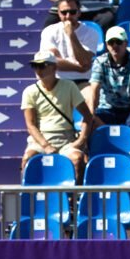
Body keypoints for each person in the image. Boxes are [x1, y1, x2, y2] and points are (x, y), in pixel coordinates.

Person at [21, 51, 93, 184]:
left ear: (54, 67)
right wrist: (46, 145)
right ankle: (28, 199)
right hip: (41, 139)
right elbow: (30, 125)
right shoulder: (29, 91)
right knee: (27, 158)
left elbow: (88, 116)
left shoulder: (69, 86)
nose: (38, 69)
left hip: (65, 138)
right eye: (35, 66)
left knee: (77, 159)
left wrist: (81, 140)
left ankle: (72, 200)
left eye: (43, 65)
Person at [85, 25, 130, 161]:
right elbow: (94, 89)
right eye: (111, 42)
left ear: (126, 43)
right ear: (106, 45)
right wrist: (91, 113)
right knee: (88, 125)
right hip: (107, 109)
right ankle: (90, 165)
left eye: (119, 42)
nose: (115, 46)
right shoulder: (100, 62)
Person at [39, 0, 100, 87]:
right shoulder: (49, 31)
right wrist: (79, 68)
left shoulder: (91, 32)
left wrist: (71, 35)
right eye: (64, 12)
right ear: (58, 13)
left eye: (72, 12)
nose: (68, 16)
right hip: (57, 81)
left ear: (79, 12)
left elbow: (85, 61)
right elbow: (51, 61)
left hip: (83, 80)